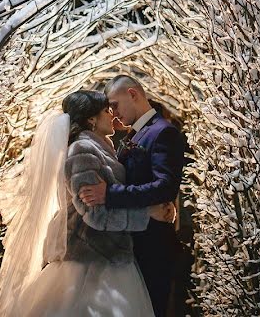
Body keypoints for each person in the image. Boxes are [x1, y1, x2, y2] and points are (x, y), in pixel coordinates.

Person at [0, 90, 175, 317]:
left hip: (106, 255)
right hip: (90, 261)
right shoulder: (82, 151)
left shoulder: (100, 147)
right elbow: (96, 215)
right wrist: (147, 213)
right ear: (91, 119)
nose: (112, 115)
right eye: (105, 111)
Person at [79, 75, 186, 317]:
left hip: (153, 246)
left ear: (132, 94)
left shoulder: (163, 132)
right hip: (132, 245)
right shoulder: (134, 135)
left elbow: (165, 187)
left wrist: (110, 194)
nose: (113, 113)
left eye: (114, 105)